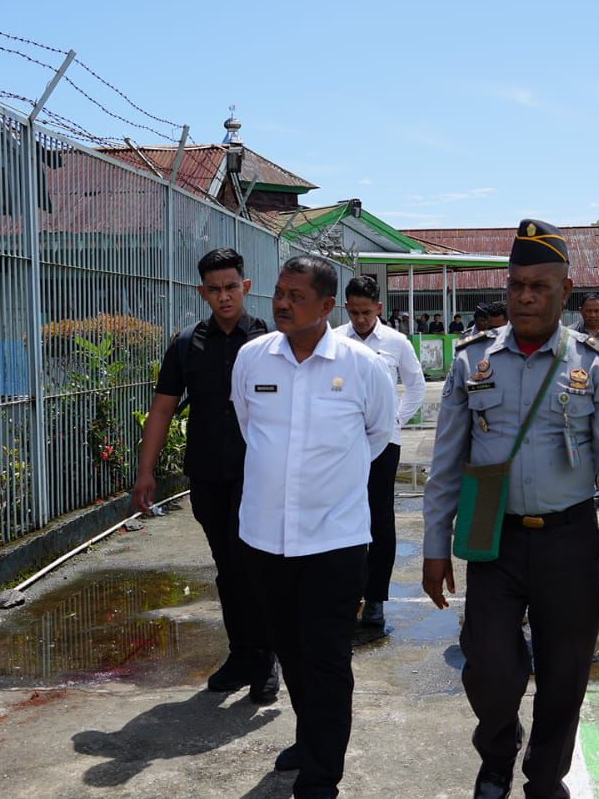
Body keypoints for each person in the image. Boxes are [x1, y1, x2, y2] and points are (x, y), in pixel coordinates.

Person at [422, 219, 599, 799]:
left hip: (569, 541)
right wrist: (433, 546)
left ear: (565, 292)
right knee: (490, 666)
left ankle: (544, 777)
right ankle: (496, 758)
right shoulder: (474, 360)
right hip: (493, 539)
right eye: (517, 284)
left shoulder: (596, 366)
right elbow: (447, 463)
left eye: (539, 286)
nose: (524, 296)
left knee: (565, 674)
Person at [232, 254, 396, 797]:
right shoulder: (253, 359)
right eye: (279, 292)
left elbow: (376, 437)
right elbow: (247, 425)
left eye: (296, 296)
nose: (281, 303)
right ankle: (310, 737)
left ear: (327, 306)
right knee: (292, 650)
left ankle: (322, 775)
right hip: (265, 540)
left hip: (335, 541)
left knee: (327, 659)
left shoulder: (363, 365)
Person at [132, 248, 279, 704]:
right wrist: (146, 470)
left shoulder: (270, 342)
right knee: (228, 570)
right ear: (202, 292)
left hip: (260, 477)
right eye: (214, 289)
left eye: (231, 287)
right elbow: (162, 408)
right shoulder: (185, 344)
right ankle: (241, 655)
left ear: (246, 287)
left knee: (259, 569)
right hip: (209, 475)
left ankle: (267, 660)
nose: (223, 297)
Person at [338, 275, 428, 630]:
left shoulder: (396, 342)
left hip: (383, 445)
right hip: (343, 445)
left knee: (379, 518)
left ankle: (376, 597)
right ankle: (348, 592)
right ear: (346, 307)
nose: (360, 319)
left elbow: (416, 385)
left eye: (366, 312)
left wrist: (395, 419)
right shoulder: (333, 340)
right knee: (345, 518)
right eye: (355, 312)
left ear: (378, 308)